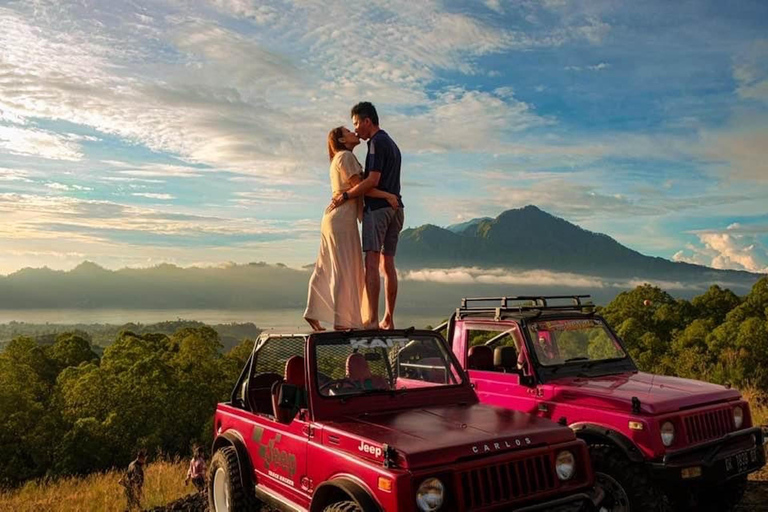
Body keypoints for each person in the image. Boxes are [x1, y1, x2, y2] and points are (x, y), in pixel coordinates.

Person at [304, 126, 398, 331]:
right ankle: (341, 321)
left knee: (327, 264)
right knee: (346, 268)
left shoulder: (339, 158)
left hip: (334, 219)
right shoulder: (345, 156)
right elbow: (361, 188)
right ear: (341, 139)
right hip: (342, 219)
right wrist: (388, 196)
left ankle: (314, 312)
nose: (354, 133)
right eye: (348, 131)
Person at [329, 102, 404, 329]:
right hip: (397, 208)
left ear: (366, 121)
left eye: (356, 124)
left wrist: (345, 196)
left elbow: (371, 181)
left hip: (378, 210)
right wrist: (391, 197)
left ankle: (371, 318)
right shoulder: (392, 144)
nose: (356, 130)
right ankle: (388, 317)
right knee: (387, 263)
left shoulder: (375, 143)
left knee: (371, 263)